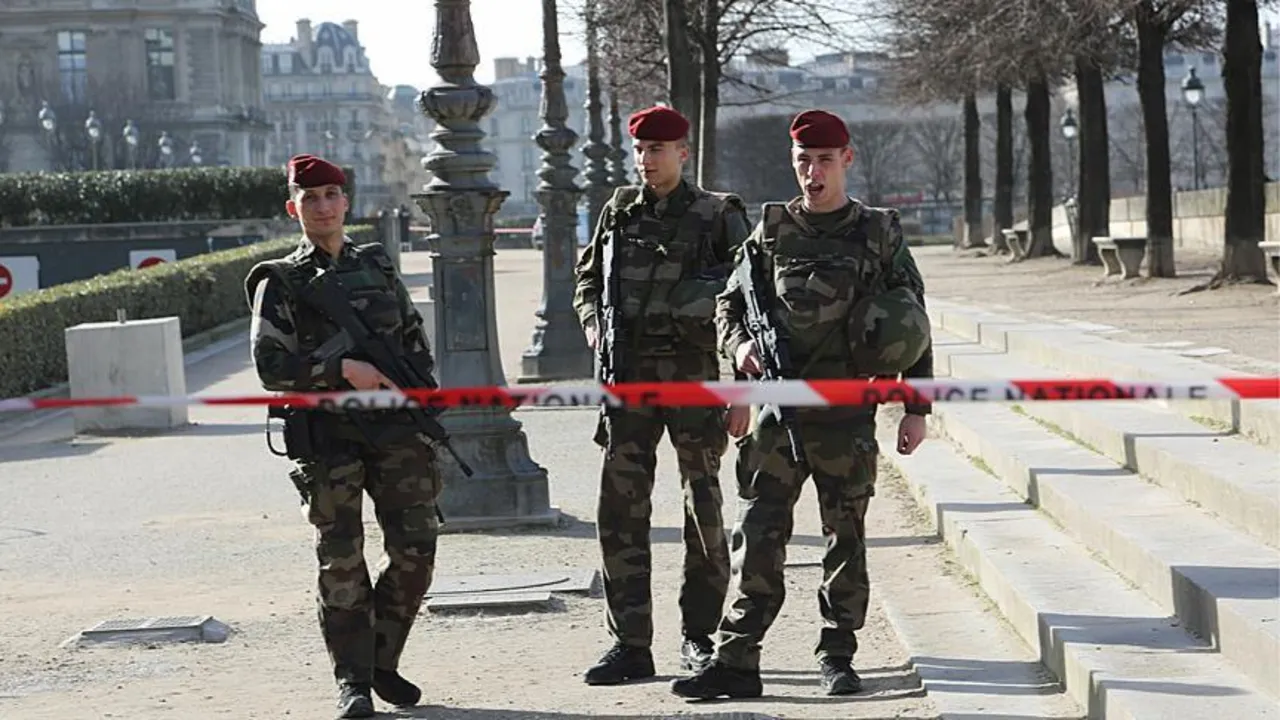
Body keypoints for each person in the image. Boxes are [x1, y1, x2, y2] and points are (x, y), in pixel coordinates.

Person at [670, 109, 935, 700]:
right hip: (774, 416)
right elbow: (729, 309)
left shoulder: (879, 232)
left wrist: (916, 406)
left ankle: (837, 652)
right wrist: (738, 353)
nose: (811, 174)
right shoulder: (767, 234)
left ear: (847, 160)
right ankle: (738, 658)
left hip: (846, 416)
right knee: (758, 536)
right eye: (802, 162)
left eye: (822, 161)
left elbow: (914, 319)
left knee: (846, 537)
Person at [244, 154, 441, 719]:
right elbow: (270, 367)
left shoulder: (377, 265)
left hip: (395, 429)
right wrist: (340, 372)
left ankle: (382, 658)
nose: (324, 206)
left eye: (331, 194)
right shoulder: (280, 281)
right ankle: (353, 681)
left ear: (346, 202)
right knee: (341, 559)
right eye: (311, 198)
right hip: (328, 436)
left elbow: (412, 340)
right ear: (294, 208)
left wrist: (418, 396)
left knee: (417, 549)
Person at [572, 105, 753, 685]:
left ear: (683, 151)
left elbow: (747, 299)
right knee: (620, 511)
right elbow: (586, 279)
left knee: (703, 509)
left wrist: (742, 390)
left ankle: (699, 637)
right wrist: (591, 323)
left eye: (659, 150)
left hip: (695, 379)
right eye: (641, 151)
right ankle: (630, 642)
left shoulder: (717, 214)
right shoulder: (619, 211)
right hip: (627, 380)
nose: (647, 161)